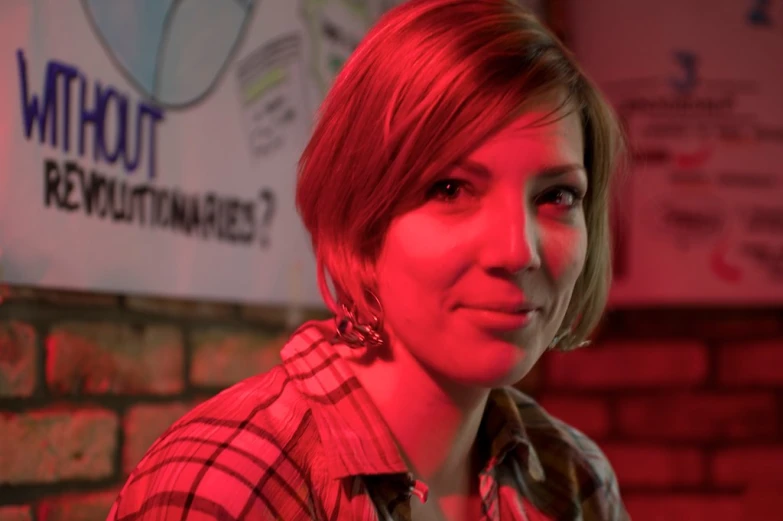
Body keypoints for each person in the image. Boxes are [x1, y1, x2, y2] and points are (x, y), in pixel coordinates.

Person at [107, 0, 629, 519]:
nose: (518, 252)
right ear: (360, 219)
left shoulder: (573, 478)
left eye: (557, 196)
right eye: (451, 189)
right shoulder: (233, 490)